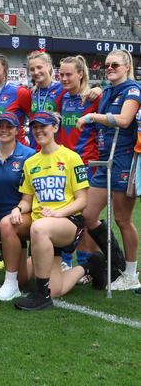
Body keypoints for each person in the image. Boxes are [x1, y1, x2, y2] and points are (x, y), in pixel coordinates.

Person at [2, 112, 105, 310]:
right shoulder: (31, 162)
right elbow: (26, 200)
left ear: (55, 128)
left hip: (67, 222)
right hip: (41, 225)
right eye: (35, 127)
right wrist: (17, 209)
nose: (39, 131)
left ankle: (42, 295)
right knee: (9, 222)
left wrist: (60, 213)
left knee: (40, 228)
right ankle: (90, 266)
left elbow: (83, 200)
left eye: (44, 126)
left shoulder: (71, 157)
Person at [77, 50, 141, 290]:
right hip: (105, 161)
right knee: (88, 215)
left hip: (123, 160)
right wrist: (97, 91)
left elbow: (124, 120)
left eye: (115, 64)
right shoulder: (107, 90)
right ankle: (116, 261)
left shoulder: (132, 89)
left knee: (123, 219)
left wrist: (93, 116)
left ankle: (131, 273)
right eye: (107, 65)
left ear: (127, 66)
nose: (110, 68)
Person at [56, 55, 101, 274]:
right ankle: (66, 259)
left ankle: (86, 262)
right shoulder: (62, 97)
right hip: (64, 165)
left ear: (81, 74)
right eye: (61, 74)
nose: (64, 78)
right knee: (65, 211)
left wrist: (100, 89)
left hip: (86, 163)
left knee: (84, 215)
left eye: (68, 74)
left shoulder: (93, 98)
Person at [0, 112, 35, 300]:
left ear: (17, 130)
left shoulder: (29, 155)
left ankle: (10, 283)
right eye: (0, 126)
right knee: (23, 278)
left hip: (21, 215)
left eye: (9, 126)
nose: (4, 130)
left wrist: (20, 209)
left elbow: (31, 194)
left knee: (19, 279)